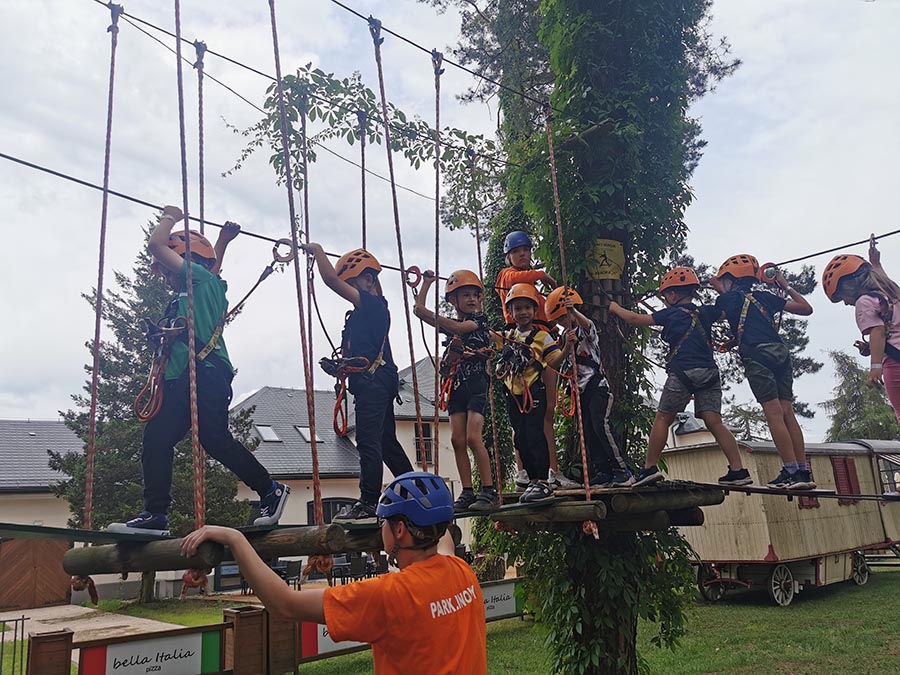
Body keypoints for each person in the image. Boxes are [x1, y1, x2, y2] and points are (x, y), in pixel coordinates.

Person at [180, 471, 487, 675]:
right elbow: (443, 539)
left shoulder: (390, 595)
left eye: (382, 521)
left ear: (400, 530)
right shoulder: (460, 571)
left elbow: (284, 603)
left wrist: (234, 539)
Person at [110, 206, 289, 536]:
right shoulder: (196, 289)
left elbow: (157, 246)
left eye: (169, 271)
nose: (167, 277)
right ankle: (155, 514)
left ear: (188, 262)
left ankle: (269, 489)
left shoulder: (202, 281)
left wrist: (170, 217)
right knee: (157, 439)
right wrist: (222, 241)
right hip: (182, 376)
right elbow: (210, 266)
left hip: (206, 372)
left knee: (214, 439)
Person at [609, 267, 752, 487]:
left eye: (666, 295)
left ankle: (649, 468)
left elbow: (635, 318)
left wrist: (615, 307)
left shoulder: (671, 314)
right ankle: (738, 470)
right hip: (709, 373)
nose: (666, 300)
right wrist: (722, 289)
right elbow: (727, 310)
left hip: (683, 372)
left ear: (673, 294)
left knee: (663, 418)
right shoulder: (705, 312)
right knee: (715, 422)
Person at [303, 244, 413, 524]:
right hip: (374, 380)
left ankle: (368, 501)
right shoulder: (364, 313)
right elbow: (363, 352)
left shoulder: (373, 306)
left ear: (367, 280)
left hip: (374, 382)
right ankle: (414, 490)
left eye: (352, 284)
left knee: (367, 441)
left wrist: (317, 251)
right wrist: (341, 367)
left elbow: (330, 280)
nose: (349, 290)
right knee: (386, 442)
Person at [711, 254, 814, 489]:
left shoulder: (728, 298)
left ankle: (790, 471)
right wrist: (784, 285)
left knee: (774, 413)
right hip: (780, 352)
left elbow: (719, 306)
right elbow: (805, 309)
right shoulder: (765, 297)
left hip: (757, 355)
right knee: (787, 412)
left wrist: (717, 285)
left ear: (730, 280)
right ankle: (802, 471)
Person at [495, 231, 577, 491]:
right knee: (520, 413)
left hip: (542, 342)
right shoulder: (507, 276)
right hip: (520, 345)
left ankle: (551, 470)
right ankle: (525, 471)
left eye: (525, 250)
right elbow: (517, 278)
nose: (522, 254)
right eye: (516, 251)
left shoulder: (535, 294)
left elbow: (549, 314)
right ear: (508, 256)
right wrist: (543, 275)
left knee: (546, 411)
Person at [414, 270, 499, 512]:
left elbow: (459, 328)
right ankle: (467, 491)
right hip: (456, 386)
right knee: (457, 439)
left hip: (477, 384)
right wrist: (426, 284)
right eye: (465, 295)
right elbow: (419, 311)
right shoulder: (452, 326)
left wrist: (431, 315)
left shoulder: (479, 320)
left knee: (473, 437)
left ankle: (488, 490)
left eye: (475, 295)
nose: (472, 299)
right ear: (453, 300)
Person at [545, 286, 634, 487]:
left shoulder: (585, 330)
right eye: (559, 320)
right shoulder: (565, 338)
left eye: (564, 317)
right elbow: (557, 365)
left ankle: (621, 470)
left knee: (601, 426)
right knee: (587, 432)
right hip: (580, 391)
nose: (562, 322)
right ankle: (603, 471)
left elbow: (587, 325)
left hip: (597, 387)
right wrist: (566, 347)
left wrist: (573, 311)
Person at [822, 236, 900, 422]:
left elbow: (878, 331)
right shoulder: (891, 292)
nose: (845, 303)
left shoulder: (864, 302)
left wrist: (875, 367)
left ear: (849, 287)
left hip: (895, 363)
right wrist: (876, 263)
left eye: (842, 296)